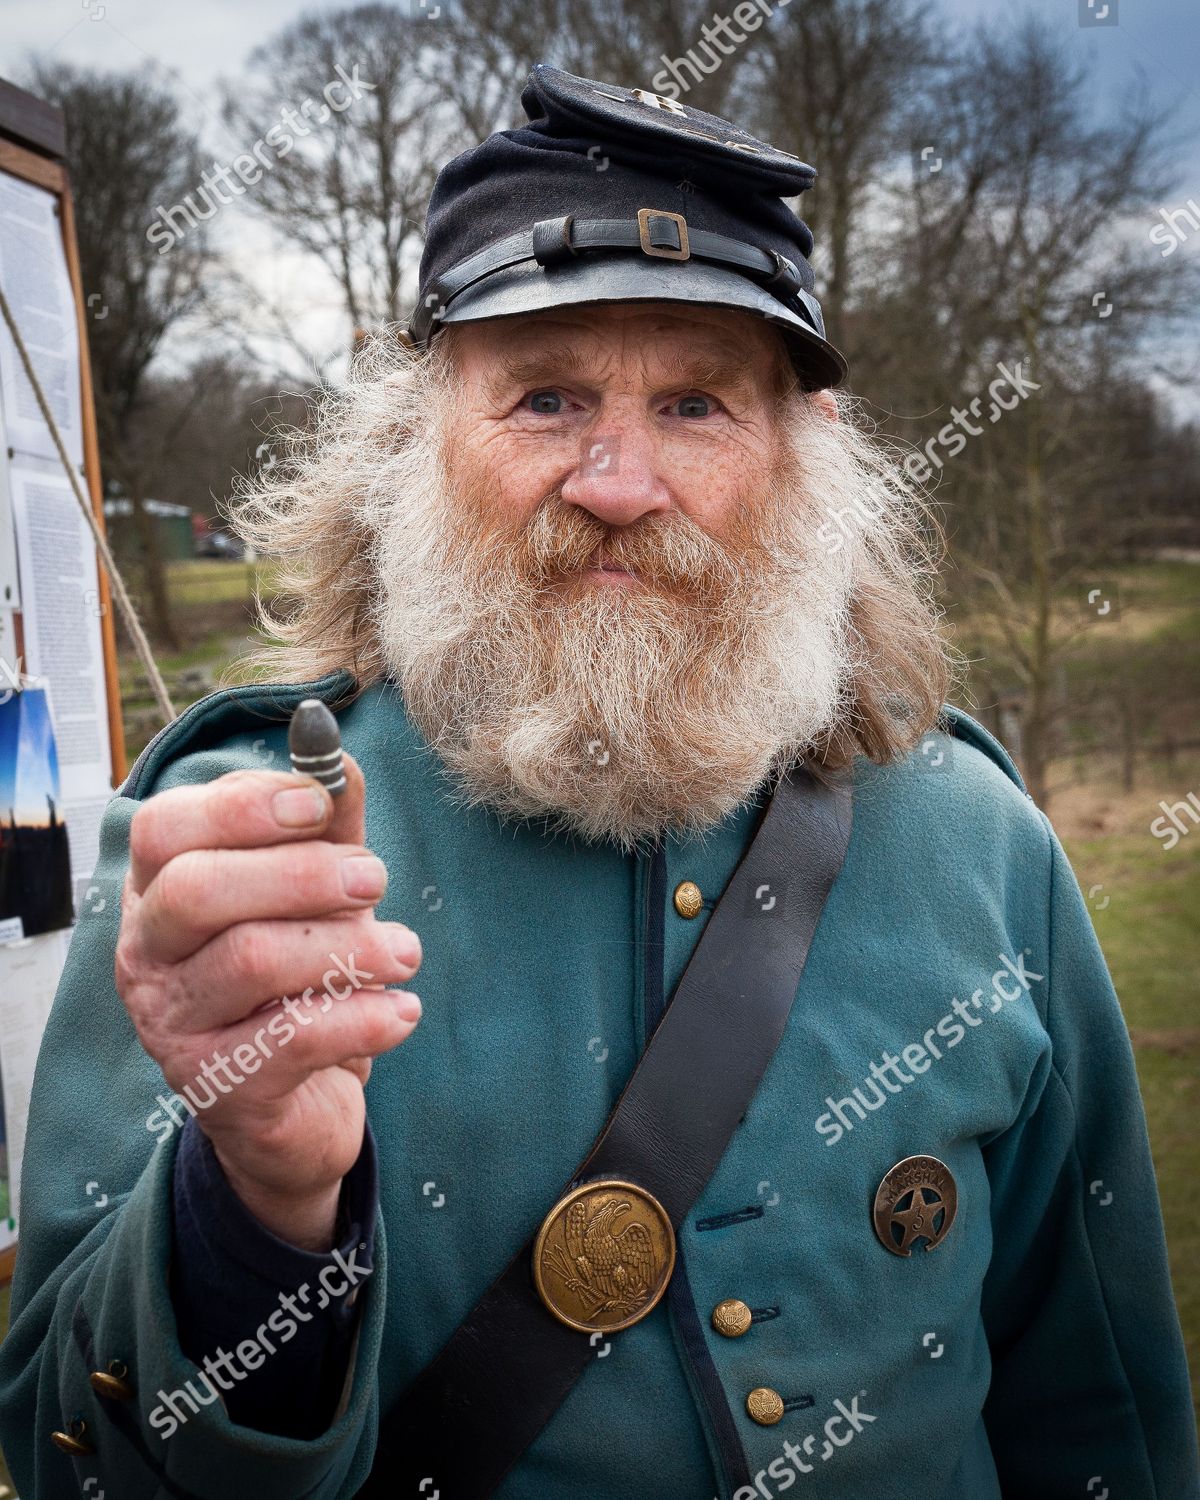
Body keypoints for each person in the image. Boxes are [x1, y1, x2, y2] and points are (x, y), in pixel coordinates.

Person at [0, 62, 1195, 1500]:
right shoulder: (229, 868)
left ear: (801, 465)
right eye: (549, 396)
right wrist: (252, 1207)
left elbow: (1104, 1419)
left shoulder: (983, 848)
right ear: (414, 445)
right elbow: (65, 1457)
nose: (617, 479)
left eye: (697, 406)